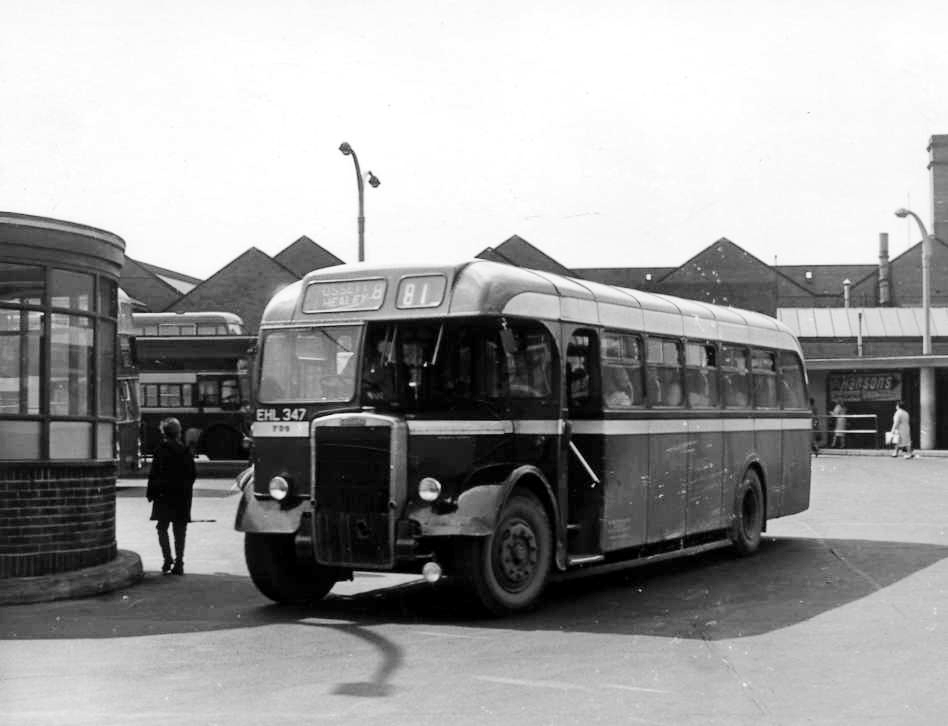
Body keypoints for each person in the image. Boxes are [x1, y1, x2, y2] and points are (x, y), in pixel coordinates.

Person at [146, 417, 197, 575]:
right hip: (182, 496)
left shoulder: (160, 450)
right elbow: (192, 474)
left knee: (162, 527)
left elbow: (154, 474)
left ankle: (167, 559)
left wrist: (151, 494)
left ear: (164, 433)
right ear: (178, 433)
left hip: (164, 496)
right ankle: (179, 562)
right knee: (180, 530)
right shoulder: (186, 451)